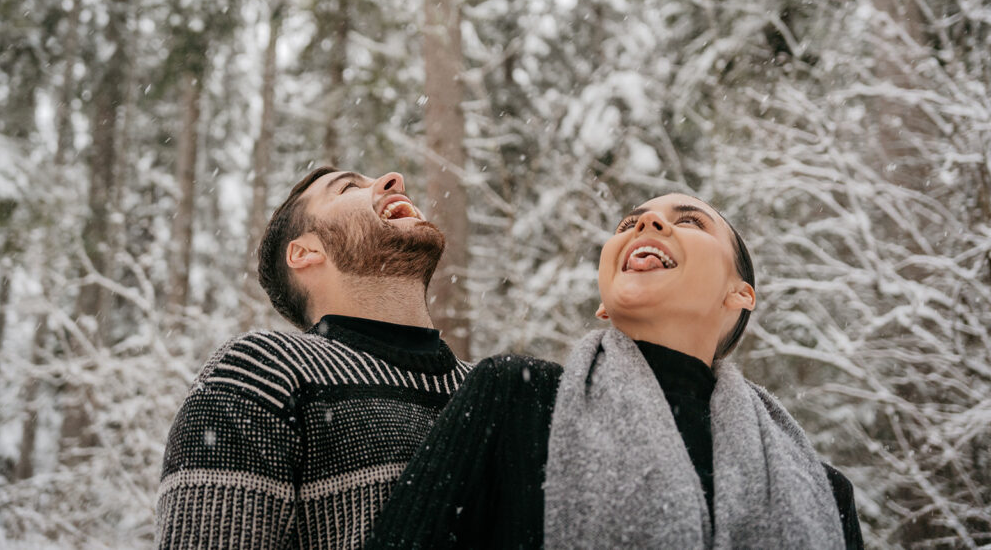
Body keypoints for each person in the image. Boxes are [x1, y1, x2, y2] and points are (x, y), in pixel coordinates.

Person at [367, 193, 863, 549]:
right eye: (631, 223)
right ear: (605, 305)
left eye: (689, 220)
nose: (648, 226)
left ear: (741, 295)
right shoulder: (515, 398)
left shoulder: (822, 493)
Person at [155, 167, 472, 549]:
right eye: (348, 188)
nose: (394, 180)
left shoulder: (495, 396)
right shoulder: (261, 374)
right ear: (305, 252)